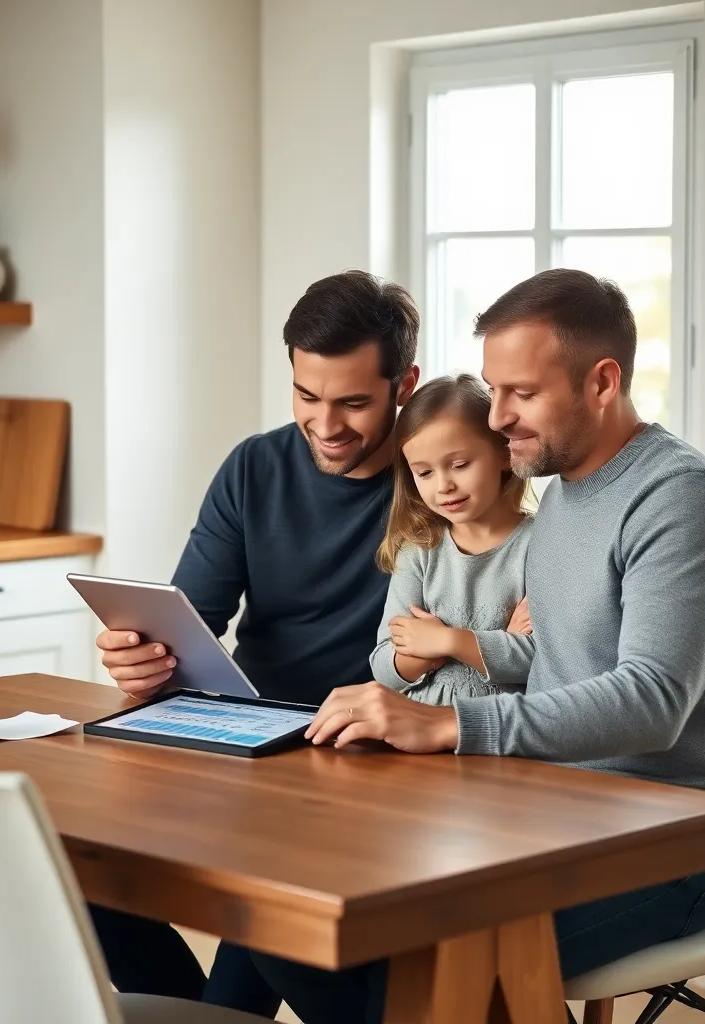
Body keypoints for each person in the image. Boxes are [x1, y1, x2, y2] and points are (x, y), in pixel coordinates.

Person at [250, 268, 705, 1024]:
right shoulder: (561, 499)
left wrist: (450, 724)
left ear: (602, 381)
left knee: (420, 960)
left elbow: (653, 702)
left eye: (521, 392)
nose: (498, 417)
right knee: (295, 927)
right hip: (551, 812)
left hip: (675, 845)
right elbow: (549, 668)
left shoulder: (679, 498)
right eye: (494, 390)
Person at [90, 270, 421, 1016]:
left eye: (354, 403)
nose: (326, 424)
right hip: (250, 736)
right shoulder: (254, 466)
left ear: (406, 383)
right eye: (307, 396)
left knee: (266, 897)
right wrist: (141, 660)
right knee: (77, 854)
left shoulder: (440, 477)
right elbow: (190, 621)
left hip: (369, 760)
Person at [370, 373, 534, 705]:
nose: (443, 485)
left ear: (504, 453)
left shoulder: (538, 545)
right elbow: (384, 666)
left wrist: (445, 640)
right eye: (424, 472)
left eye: (459, 465)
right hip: (417, 738)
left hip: (504, 736)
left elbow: (535, 660)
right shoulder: (419, 552)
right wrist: (500, 643)